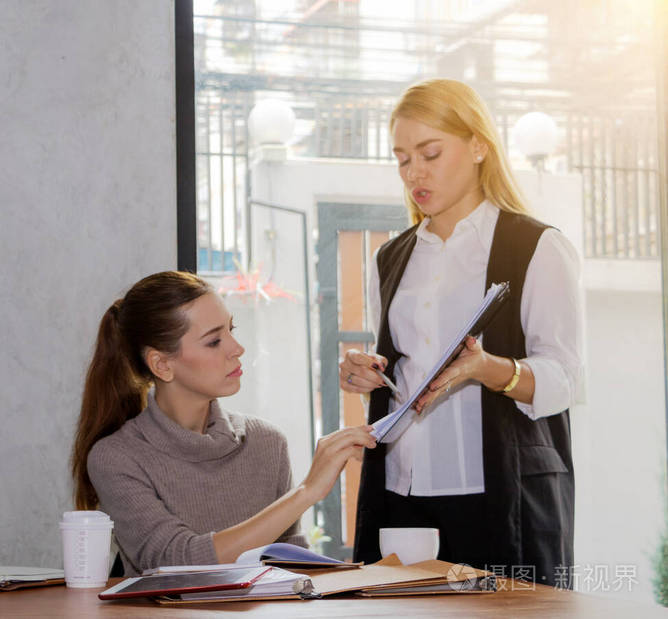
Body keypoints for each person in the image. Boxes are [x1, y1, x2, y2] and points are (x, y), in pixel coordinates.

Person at [340, 78, 583, 587]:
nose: (415, 172)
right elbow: (401, 365)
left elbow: (565, 379)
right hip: (399, 498)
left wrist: (489, 369)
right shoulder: (391, 256)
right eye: (403, 158)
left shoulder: (537, 246)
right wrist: (366, 372)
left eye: (430, 152)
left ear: (478, 146)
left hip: (499, 497)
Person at [71, 271, 375, 576]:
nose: (237, 348)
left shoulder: (267, 443)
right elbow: (172, 562)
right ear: (162, 365)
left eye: (232, 329)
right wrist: (307, 491)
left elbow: (292, 571)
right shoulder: (116, 458)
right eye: (214, 340)